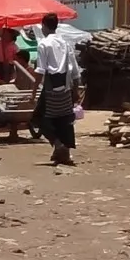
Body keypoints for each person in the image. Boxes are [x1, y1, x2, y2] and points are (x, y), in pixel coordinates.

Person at [33, 11, 81, 166]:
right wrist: (76, 90)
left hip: (50, 88)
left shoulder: (44, 44)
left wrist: (34, 91)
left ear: (44, 26)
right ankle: (62, 152)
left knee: (39, 118)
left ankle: (58, 145)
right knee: (64, 120)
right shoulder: (65, 43)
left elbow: (40, 71)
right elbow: (74, 70)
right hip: (66, 87)